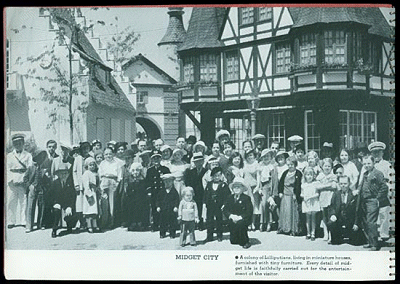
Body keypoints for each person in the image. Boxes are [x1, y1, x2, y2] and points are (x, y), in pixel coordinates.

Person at [358, 155, 389, 251]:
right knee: (366, 221)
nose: (366, 165)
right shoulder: (365, 174)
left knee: (371, 222)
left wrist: (377, 198)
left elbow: (384, 187)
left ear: (373, 163)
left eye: (368, 163)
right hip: (364, 200)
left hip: (372, 200)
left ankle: (375, 244)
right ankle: (369, 241)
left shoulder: (378, 173)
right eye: (365, 164)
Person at [368, 141, 394, 241]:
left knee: (384, 213)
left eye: (378, 152)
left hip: (384, 191)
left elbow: (392, 179)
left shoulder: (387, 165)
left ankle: (384, 234)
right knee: (373, 213)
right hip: (372, 192)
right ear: (371, 154)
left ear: (382, 153)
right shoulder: (369, 164)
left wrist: (390, 191)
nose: (376, 154)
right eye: (374, 152)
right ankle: (375, 234)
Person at [327, 175, 364, 245]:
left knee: (356, 242)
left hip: (350, 221)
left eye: (345, 184)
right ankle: (337, 237)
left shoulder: (353, 194)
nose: (343, 185)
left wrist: (356, 223)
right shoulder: (336, 194)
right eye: (341, 184)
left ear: (349, 183)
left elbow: (357, 210)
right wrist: (333, 215)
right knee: (331, 225)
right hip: (339, 219)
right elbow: (332, 206)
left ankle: (351, 235)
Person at [7, 134, 33, 229]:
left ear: (23, 143)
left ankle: (23, 220)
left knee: (24, 201)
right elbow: (7, 169)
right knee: (11, 201)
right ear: (13, 144)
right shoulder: (9, 156)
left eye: (19, 143)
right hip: (12, 180)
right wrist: (10, 180)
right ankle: (11, 221)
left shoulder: (28, 155)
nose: (18, 145)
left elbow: (30, 169)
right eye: (16, 143)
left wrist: (25, 180)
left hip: (23, 179)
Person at [48, 158, 77, 238]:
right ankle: (54, 229)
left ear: (68, 174)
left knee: (70, 212)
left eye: (65, 173)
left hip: (67, 203)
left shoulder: (70, 183)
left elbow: (73, 196)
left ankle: (69, 226)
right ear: (58, 174)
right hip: (58, 202)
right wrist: (54, 203)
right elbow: (49, 196)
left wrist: (70, 207)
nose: (63, 175)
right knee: (56, 211)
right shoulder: (55, 183)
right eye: (61, 174)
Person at [223, 177, 253, 249]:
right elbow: (225, 209)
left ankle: (246, 241)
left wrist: (240, 217)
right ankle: (236, 236)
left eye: (238, 187)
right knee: (234, 241)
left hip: (243, 219)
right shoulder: (229, 197)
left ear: (242, 189)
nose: (236, 189)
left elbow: (249, 211)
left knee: (241, 225)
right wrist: (230, 216)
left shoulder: (246, 198)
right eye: (235, 187)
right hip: (232, 218)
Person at [203, 167, 231, 242]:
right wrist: (205, 203)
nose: (217, 177)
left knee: (219, 220)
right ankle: (209, 236)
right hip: (210, 205)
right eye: (215, 175)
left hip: (219, 206)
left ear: (221, 176)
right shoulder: (209, 184)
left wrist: (224, 204)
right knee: (209, 221)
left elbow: (227, 196)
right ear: (212, 176)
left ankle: (219, 235)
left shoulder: (223, 185)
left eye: (219, 175)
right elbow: (205, 194)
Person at [146, 150, 171, 232]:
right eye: (154, 158)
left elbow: (169, 181)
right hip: (154, 193)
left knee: (164, 208)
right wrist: (149, 192)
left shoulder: (165, 169)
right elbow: (148, 182)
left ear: (161, 159)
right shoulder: (150, 170)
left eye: (158, 158)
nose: (156, 160)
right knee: (154, 208)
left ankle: (165, 225)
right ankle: (155, 225)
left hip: (163, 192)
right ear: (151, 160)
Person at [98, 147, 123, 229]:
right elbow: (100, 175)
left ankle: (112, 222)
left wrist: (117, 183)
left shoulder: (116, 163)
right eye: (106, 154)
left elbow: (119, 175)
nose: (108, 155)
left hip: (113, 182)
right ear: (104, 155)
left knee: (112, 203)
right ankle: (104, 222)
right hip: (104, 182)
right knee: (104, 203)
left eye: (110, 153)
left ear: (113, 154)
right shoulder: (102, 163)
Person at [277, 156, 302, 236]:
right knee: (285, 212)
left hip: (292, 195)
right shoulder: (285, 172)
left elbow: (298, 185)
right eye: (289, 164)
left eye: (292, 164)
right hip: (285, 194)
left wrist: (296, 194)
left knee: (292, 213)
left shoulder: (298, 173)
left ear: (295, 164)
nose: (290, 166)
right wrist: (280, 192)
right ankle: (283, 228)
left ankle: (293, 229)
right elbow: (280, 183)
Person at [25, 150, 49, 233]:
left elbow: (46, 180)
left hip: (41, 189)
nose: (41, 159)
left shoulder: (44, 168)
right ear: (36, 158)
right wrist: (30, 185)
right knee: (31, 207)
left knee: (41, 206)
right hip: (33, 189)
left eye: (42, 157)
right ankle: (29, 226)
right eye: (39, 157)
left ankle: (40, 224)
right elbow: (25, 178)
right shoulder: (31, 167)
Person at [316, 158, 338, 242]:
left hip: (331, 197)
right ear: (322, 167)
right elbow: (317, 186)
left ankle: (330, 234)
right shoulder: (320, 176)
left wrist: (323, 185)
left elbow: (334, 186)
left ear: (332, 167)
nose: (327, 167)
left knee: (330, 216)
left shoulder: (333, 176)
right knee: (324, 216)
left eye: (329, 166)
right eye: (325, 166)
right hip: (323, 197)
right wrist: (327, 185)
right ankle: (325, 233)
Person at [184, 152, 207, 230]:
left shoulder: (206, 171)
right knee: (193, 208)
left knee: (201, 208)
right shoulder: (190, 172)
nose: (198, 163)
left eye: (200, 161)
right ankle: (192, 224)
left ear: (203, 161)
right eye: (196, 161)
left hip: (202, 193)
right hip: (194, 193)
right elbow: (188, 182)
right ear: (194, 162)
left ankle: (201, 224)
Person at [257, 148, 279, 232]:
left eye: (268, 156)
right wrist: (259, 187)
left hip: (270, 186)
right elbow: (258, 177)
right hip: (263, 187)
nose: (266, 158)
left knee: (268, 205)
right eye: (264, 156)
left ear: (271, 157)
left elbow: (274, 180)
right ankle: (262, 222)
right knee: (262, 205)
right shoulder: (260, 166)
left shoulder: (272, 167)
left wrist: (273, 192)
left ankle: (269, 223)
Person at [72, 141, 92, 231]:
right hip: (80, 185)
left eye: (87, 148)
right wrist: (76, 184)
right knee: (79, 204)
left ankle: (88, 224)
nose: (85, 150)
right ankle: (81, 222)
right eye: (84, 149)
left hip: (88, 185)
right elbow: (74, 171)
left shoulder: (91, 158)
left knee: (88, 204)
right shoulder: (78, 159)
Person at [125, 162, 149, 231]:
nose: (135, 172)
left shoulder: (143, 180)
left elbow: (145, 189)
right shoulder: (130, 180)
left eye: (137, 170)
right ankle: (133, 223)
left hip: (141, 199)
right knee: (132, 210)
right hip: (132, 199)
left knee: (141, 210)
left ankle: (141, 223)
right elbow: (127, 190)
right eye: (133, 171)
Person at [157, 174, 180, 239]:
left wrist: (176, 206)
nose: (167, 183)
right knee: (162, 222)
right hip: (163, 209)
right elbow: (158, 200)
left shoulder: (174, 191)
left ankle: (172, 233)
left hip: (171, 209)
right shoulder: (161, 191)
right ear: (163, 182)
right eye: (166, 182)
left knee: (172, 221)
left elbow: (176, 199)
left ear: (172, 182)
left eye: (169, 181)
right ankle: (162, 233)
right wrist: (158, 206)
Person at [301, 167, 320, 241]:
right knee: (307, 218)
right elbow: (301, 194)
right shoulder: (303, 185)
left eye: (311, 175)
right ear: (305, 176)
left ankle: (313, 233)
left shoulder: (315, 184)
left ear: (313, 176)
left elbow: (317, 194)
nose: (309, 177)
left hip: (313, 201)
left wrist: (310, 197)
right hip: (306, 202)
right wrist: (304, 197)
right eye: (307, 175)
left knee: (313, 218)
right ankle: (308, 233)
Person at [82, 157, 100, 233]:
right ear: (87, 166)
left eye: (93, 165)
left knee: (94, 211)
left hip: (94, 192)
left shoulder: (95, 173)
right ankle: (89, 226)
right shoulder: (86, 173)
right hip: (89, 193)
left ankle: (95, 225)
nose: (92, 166)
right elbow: (86, 184)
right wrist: (88, 194)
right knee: (89, 211)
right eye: (90, 165)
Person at [243, 149, 258, 229]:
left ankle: (253, 222)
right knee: (246, 206)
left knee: (254, 205)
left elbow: (258, 176)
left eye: (251, 155)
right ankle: (247, 223)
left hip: (253, 186)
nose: (250, 157)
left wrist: (258, 186)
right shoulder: (244, 164)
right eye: (248, 155)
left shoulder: (256, 164)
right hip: (246, 187)